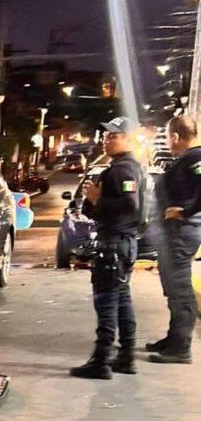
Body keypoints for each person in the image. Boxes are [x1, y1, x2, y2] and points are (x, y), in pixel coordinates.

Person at [70, 116, 143, 380]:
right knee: (122, 300)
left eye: (114, 136)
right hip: (122, 244)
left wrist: (98, 199)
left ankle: (101, 361)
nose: (106, 140)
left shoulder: (123, 169)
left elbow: (130, 205)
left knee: (107, 302)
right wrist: (94, 202)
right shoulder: (123, 167)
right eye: (105, 135)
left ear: (129, 139)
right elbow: (96, 208)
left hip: (114, 244)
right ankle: (126, 357)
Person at [146, 115, 201, 364]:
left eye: (168, 137)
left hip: (183, 231)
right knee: (172, 286)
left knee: (180, 289)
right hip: (176, 232)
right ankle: (173, 338)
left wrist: (185, 211)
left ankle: (181, 347)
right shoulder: (187, 159)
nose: (168, 142)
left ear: (176, 137)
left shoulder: (195, 158)